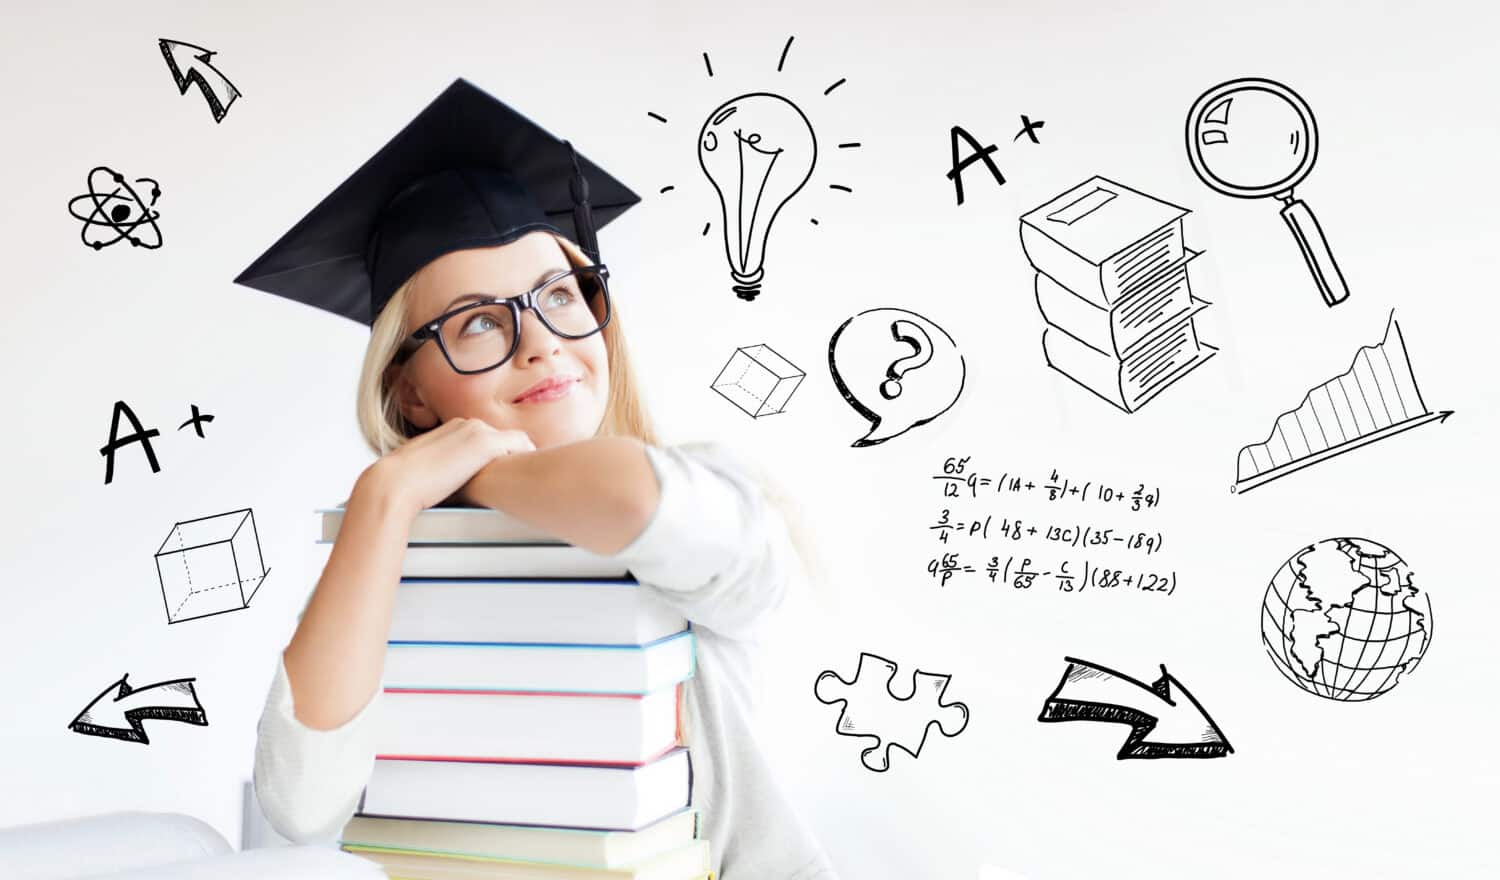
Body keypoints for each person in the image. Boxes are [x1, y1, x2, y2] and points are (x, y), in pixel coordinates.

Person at [235, 78, 837, 879]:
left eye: (560, 294)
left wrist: (482, 472)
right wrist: (384, 499)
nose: (542, 342)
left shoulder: (714, 487)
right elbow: (303, 805)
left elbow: (630, 498)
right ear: (409, 389)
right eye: (480, 321)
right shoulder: (392, 552)